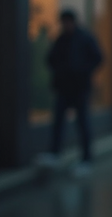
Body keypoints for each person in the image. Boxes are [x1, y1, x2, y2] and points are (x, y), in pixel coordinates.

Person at [37, 9, 103, 176]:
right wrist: (60, 71)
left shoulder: (85, 38)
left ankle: (86, 159)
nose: (65, 25)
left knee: (82, 123)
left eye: (67, 22)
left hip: (80, 88)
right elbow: (50, 58)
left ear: (73, 22)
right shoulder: (61, 39)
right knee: (58, 121)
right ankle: (54, 153)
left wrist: (82, 71)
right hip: (64, 88)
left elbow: (98, 58)